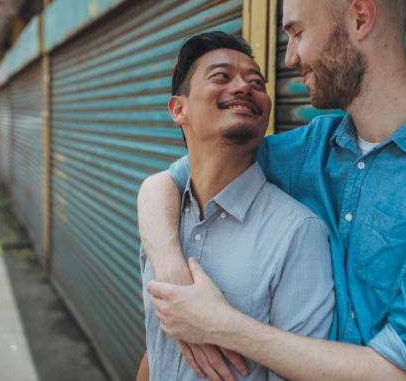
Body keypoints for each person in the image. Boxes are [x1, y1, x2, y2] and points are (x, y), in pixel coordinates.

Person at [139, 0, 406, 380]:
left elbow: (404, 372)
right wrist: (172, 274)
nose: (289, 58)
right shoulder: (306, 149)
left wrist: (220, 325)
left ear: (359, 19)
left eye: (298, 32)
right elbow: (167, 183)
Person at [136, 31, 335, 381]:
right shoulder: (164, 221)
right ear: (178, 109)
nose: (244, 87)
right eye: (222, 76)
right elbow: (158, 346)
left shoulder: (296, 233)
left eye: (256, 81)